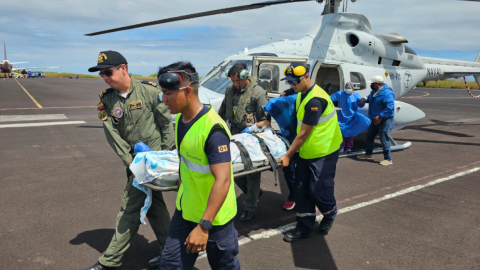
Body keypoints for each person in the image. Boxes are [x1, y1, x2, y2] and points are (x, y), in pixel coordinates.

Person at [80, 50, 174, 270]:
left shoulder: (149, 92)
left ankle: (109, 262)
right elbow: (112, 134)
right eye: (101, 74)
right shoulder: (107, 100)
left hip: (153, 163)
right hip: (134, 165)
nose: (105, 77)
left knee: (129, 209)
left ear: (124, 68)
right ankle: (171, 252)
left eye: (108, 72)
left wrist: (162, 157)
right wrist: (130, 161)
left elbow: (165, 125)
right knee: (154, 208)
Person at [157, 61, 240, 270]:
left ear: (186, 91)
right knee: (170, 265)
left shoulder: (213, 130)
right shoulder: (181, 121)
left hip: (214, 219)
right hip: (186, 210)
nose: (163, 99)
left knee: (224, 266)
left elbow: (223, 179)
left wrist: (204, 227)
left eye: (167, 93)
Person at [278, 62, 343, 243]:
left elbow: (304, 133)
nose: (292, 85)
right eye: (289, 82)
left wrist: (288, 155)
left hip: (324, 151)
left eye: (295, 82)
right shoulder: (302, 92)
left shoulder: (315, 101)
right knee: (301, 190)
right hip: (307, 151)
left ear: (307, 77)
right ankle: (304, 227)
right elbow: (293, 94)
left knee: (317, 190)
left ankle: (330, 213)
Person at [217, 63, 271, 222]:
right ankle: (253, 192)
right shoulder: (229, 90)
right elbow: (221, 113)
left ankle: (250, 208)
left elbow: (267, 121)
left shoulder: (258, 93)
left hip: (251, 138)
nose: (235, 84)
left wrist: (255, 126)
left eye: (237, 81)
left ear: (244, 76)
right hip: (234, 134)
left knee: (252, 173)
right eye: (232, 81)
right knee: (232, 170)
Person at [357, 76, 395, 166]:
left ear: (378, 84)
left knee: (383, 139)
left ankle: (388, 159)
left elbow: (390, 108)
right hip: (375, 119)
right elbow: (370, 97)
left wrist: (380, 117)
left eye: (372, 83)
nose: (371, 85)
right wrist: (364, 99)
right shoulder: (374, 91)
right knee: (369, 136)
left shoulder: (387, 93)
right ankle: (368, 154)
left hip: (385, 120)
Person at [329, 82, 371, 153]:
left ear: (352, 89)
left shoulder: (356, 95)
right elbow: (330, 98)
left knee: (350, 133)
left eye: (349, 88)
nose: (347, 89)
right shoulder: (341, 93)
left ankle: (349, 148)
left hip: (352, 117)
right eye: (346, 88)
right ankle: (341, 147)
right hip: (342, 117)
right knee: (341, 133)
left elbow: (360, 105)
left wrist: (361, 102)